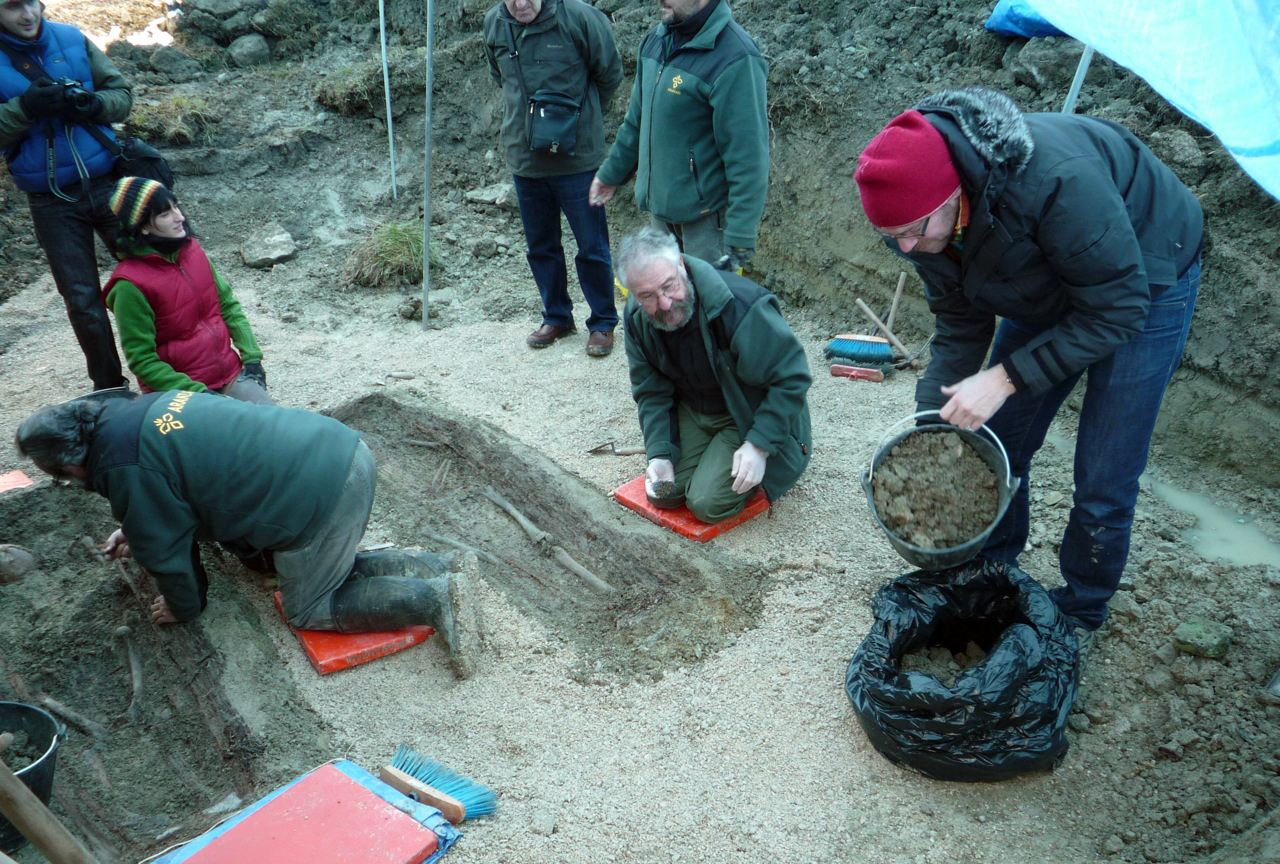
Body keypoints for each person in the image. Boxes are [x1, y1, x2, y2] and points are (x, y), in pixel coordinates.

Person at [853, 87, 1204, 654]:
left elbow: (1116, 309)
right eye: (892, 238)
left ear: (954, 196)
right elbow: (960, 325)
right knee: (999, 441)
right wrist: (931, 432)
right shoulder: (923, 229)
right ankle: (995, 572)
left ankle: (1082, 609)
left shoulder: (1056, 182)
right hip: (1044, 277)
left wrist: (1005, 377)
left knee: (1104, 470)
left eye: (913, 230)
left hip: (1145, 275)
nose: (906, 246)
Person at [14, 391, 481, 678]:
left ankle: (434, 598)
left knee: (309, 606)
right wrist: (137, 522)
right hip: (338, 447)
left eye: (60, 476)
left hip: (318, 495)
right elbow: (179, 473)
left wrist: (183, 606)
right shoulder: (133, 412)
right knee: (324, 565)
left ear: (71, 463)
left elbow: (169, 558)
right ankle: (433, 564)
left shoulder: (122, 466)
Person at [618, 226, 811, 524]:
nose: (665, 304)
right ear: (633, 293)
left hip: (746, 412)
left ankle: (753, 457)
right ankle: (709, 457)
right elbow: (650, 390)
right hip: (696, 410)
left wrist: (759, 445)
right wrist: (659, 454)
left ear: (680, 265)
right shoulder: (636, 317)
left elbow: (792, 377)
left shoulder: (739, 305)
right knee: (663, 492)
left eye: (669, 286)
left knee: (706, 503)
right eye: (648, 296)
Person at [0, 0, 133, 390]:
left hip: (109, 182)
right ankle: (109, 388)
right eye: (11, 7)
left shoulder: (72, 38)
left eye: (30, 3)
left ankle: (172, 372)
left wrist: (94, 105)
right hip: (51, 200)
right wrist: (25, 108)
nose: (26, 15)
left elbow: (121, 94)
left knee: (152, 276)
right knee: (82, 301)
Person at [483, 0, 623, 356]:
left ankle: (603, 322)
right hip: (525, 159)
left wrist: (580, 119)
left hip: (578, 159)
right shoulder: (495, 24)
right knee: (540, 246)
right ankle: (557, 316)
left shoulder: (579, 17)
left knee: (592, 245)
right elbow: (501, 78)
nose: (521, 3)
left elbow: (609, 73)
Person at [589, 0, 768, 270]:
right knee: (667, 305)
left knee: (710, 308)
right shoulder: (655, 41)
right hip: (662, 214)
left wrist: (740, 234)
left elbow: (748, 155)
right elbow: (636, 122)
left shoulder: (735, 57)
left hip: (707, 223)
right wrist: (611, 174)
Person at [102, 176, 272, 404]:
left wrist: (252, 357)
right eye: (165, 214)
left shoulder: (193, 250)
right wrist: (197, 393)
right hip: (180, 393)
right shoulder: (128, 286)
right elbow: (142, 360)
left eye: (176, 206)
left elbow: (228, 305)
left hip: (230, 374)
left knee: (270, 427)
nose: (180, 217)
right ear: (141, 227)